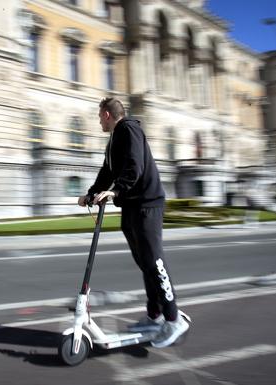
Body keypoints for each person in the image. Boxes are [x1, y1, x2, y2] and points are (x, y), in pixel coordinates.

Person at [78, 97, 189, 348]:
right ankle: (154, 315)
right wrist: (92, 194)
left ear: (107, 114)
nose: (98, 122)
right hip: (132, 205)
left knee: (154, 261)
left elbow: (134, 166)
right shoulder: (115, 139)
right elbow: (107, 172)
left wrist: (116, 191)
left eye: (99, 117)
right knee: (145, 263)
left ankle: (173, 319)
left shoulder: (129, 129)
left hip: (147, 204)